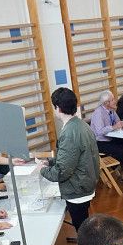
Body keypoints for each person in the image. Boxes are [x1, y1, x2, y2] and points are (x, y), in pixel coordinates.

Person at [41, 87, 100, 235]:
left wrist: (42, 170)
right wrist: (51, 162)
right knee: (84, 226)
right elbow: (75, 156)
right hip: (86, 183)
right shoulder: (81, 125)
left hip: (78, 190)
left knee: (82, 231)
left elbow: (62, 171)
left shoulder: (69, 133)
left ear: (58, 108)